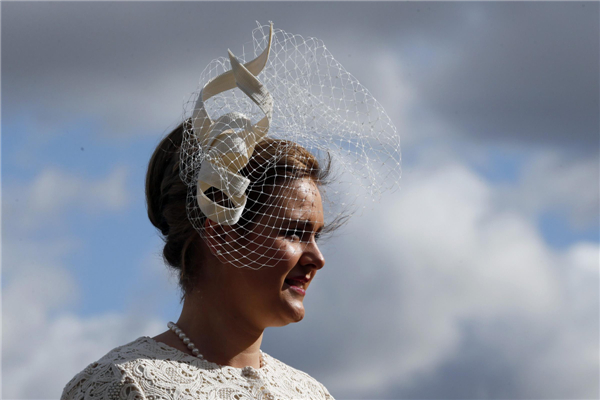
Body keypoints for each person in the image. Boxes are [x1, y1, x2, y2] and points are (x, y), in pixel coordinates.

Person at [61, 22, 400, 400]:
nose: (317, 259)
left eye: (316, 236)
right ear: (221, 235)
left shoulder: (311, 393)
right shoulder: (122, 384)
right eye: (293, 231)